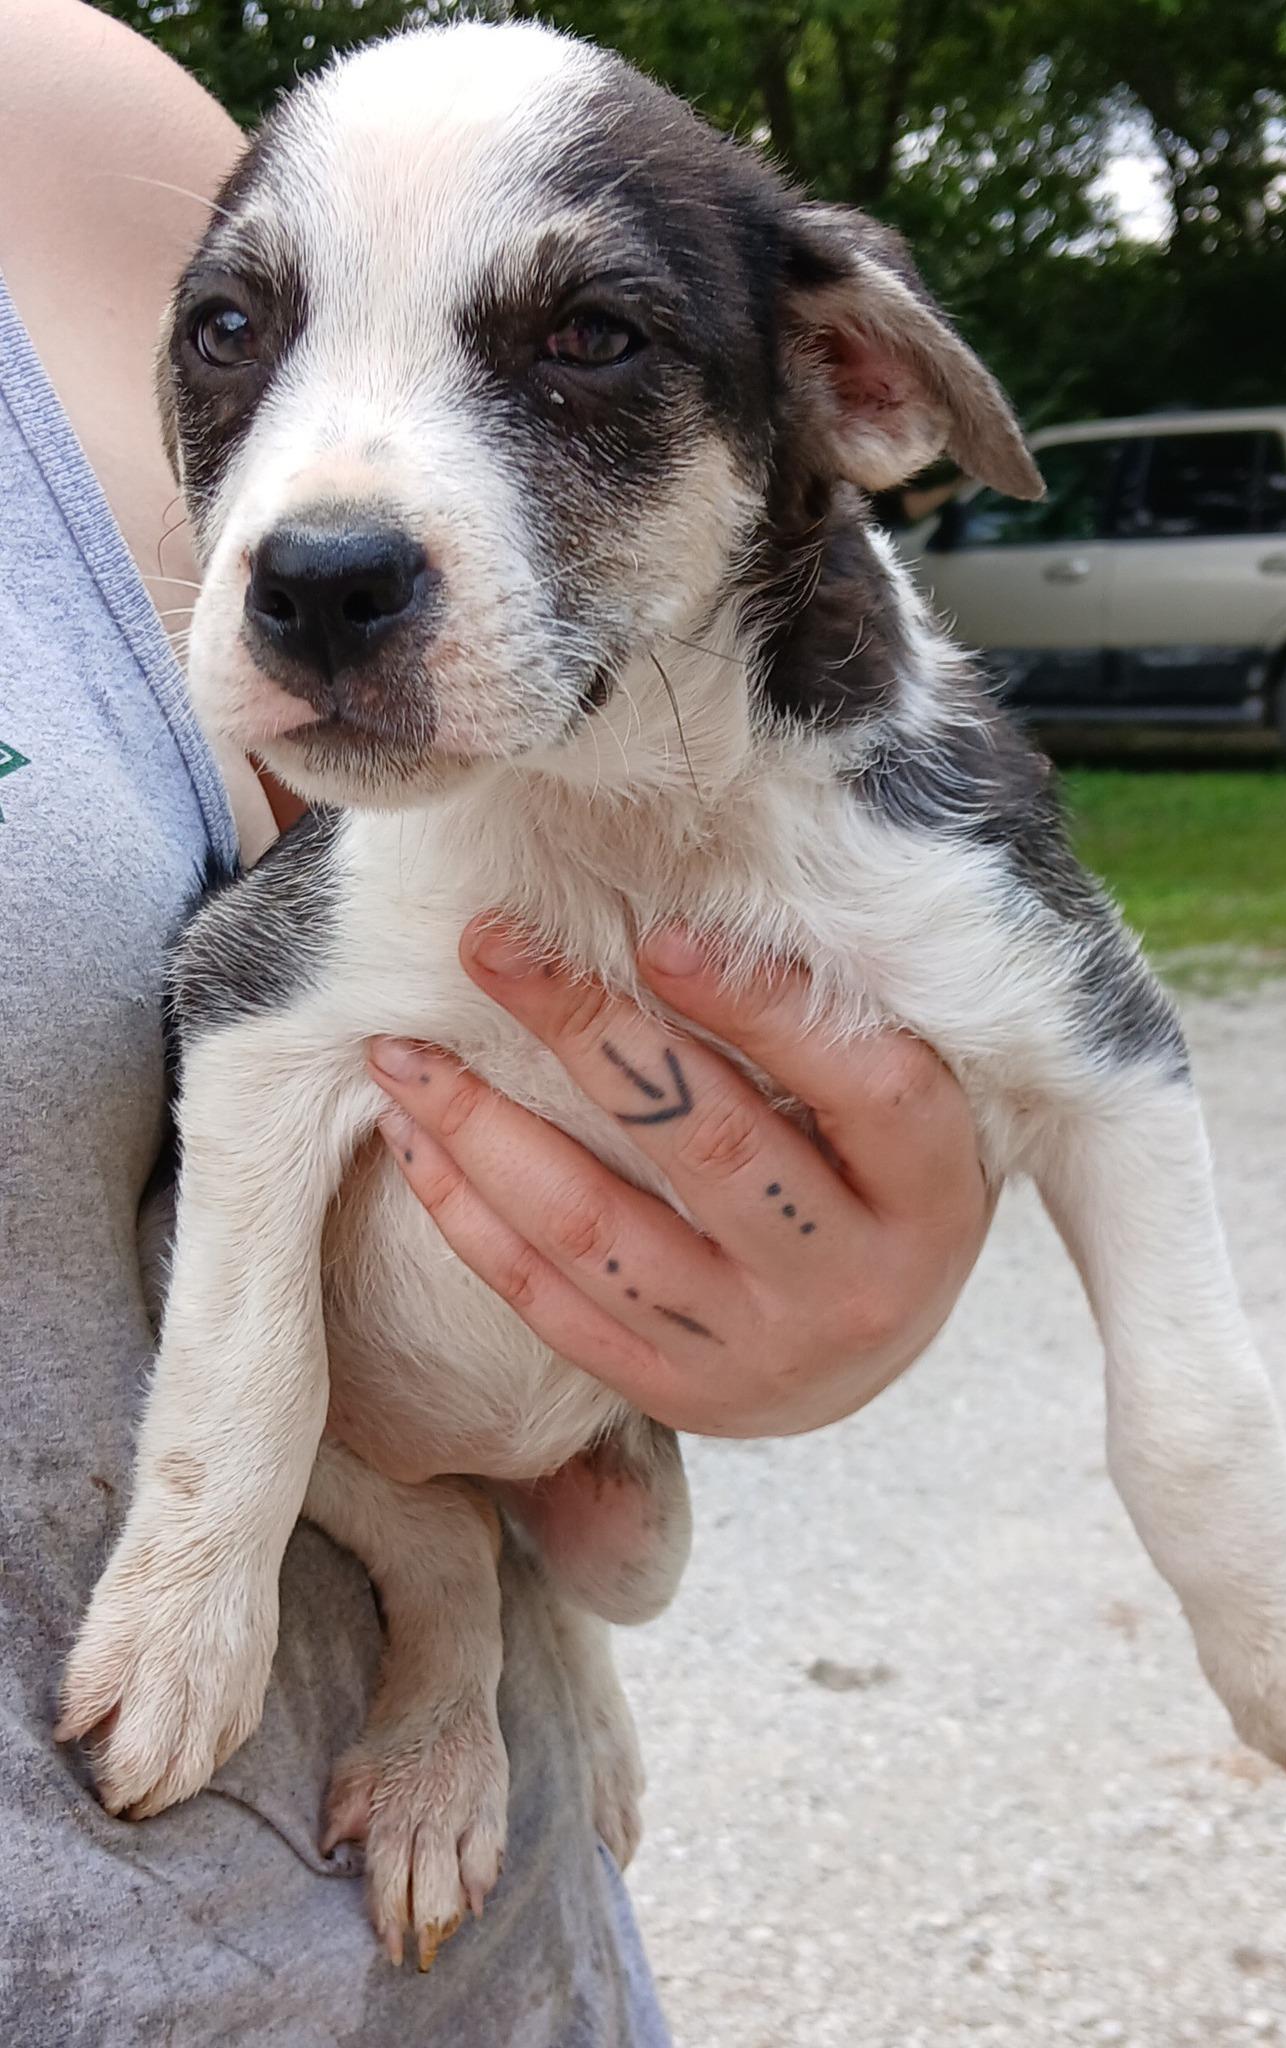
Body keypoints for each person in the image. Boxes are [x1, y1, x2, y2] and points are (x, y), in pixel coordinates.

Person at [0, 2, 993, 2040]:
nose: (320, 483)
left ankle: (495, 1623)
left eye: (583, 341)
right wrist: (230, 1523)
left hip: (427, 1969)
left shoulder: (65, 123)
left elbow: (329, 910)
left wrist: (838, 1262)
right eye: (235, 335)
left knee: (623, 1559)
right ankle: (454, 1613)